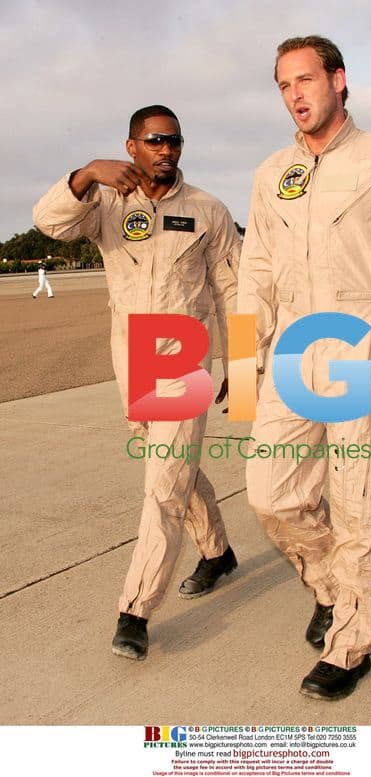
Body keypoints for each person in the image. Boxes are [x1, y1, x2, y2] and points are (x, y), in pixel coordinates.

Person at [238, 36, 371, 700]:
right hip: (297, 342)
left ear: (338, 79)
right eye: (283, 86)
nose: (295, 95)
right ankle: (334, 587)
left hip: (363, 334)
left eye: (305, 79)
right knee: (270, 491)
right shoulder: (273, 171)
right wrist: (244, 360)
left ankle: (352, 641)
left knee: (363, 500)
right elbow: (257, 270)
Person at [33, 105, 241, 661]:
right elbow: (49, 223)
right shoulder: (105, 203)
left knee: (164, 484)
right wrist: (85, 175)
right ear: (131, 147)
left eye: (174, 141)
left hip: (186, 361)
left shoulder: (207, 209)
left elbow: (233, 288)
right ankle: (217, 552)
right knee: (175, 466)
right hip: (134, 362)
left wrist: (241, 364)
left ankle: (136, 609)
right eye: (154, 141)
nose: (166, 150)